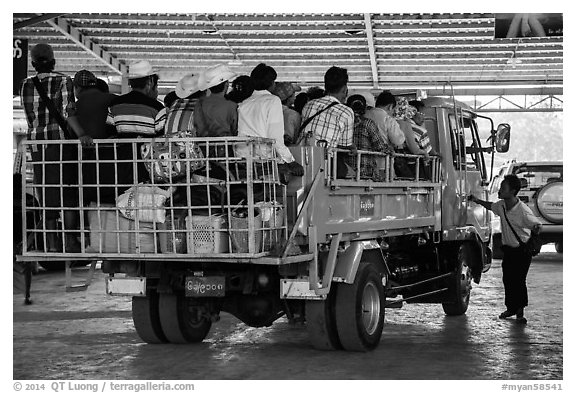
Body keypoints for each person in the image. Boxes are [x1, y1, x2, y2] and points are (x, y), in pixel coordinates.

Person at [19, 43, 85, 252]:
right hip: (58, 142)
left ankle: (51, 243)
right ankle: (71, 242)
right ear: (54, 61)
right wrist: (82, 134)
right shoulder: (64, 80)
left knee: (45, 190)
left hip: (37, 144)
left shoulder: (25, 85)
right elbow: (68, 112)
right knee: (67, 191)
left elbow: (30, 116)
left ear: (32, 63)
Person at [468, 174, 542, 324]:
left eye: (503, 188)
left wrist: (535, 229)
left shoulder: (523, 211)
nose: (500, 190)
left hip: (522, 252)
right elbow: (491, 206)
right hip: (509, 251)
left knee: (519, 280)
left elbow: (537, 225)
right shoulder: (501, 205)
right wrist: (477, 200)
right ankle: (511, 308)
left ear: (513, 191)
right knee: (508, 279)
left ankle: (520, 312)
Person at [236, 63, 303, 176]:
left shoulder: (245, 103)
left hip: (242, 158)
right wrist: (290, 161)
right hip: (262, 160)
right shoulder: (272, 101)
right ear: (271, 83)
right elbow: (275, 137)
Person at [107, 60, 166, 138]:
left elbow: (110, 134)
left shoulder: (114, 104)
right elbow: (161, 138)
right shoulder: (157, 108)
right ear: (150, 81)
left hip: (122, 150)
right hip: (147, 150)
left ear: (130, 82)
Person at [345, 94, 393, 180]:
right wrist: (390, 150)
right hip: (365, 171)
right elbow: (380, 147)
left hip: (346, 171)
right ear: (364, 108)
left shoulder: (343, 123)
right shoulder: (368, 123)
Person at [193, 63, 238, 138]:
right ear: (226, 84)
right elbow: (234, 129)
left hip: (203, 146)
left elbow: (197, 126)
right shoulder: (231, 105)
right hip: (225, 145)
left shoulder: (200, 103)